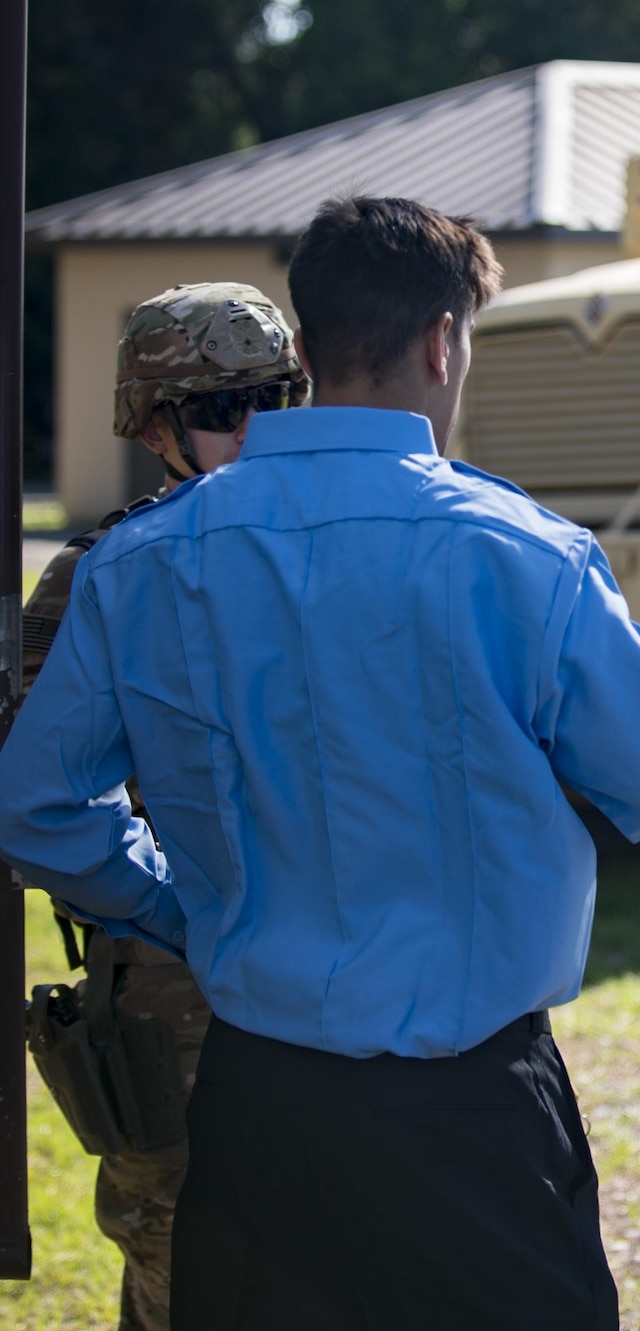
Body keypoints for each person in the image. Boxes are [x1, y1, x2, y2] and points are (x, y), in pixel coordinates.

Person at [0, 196, 640, 1329]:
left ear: (303, 348)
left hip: (255, 1109)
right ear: (444, 340)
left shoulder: (140, 562)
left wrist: (183, 907)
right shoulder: (519, 549)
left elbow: (39, 808)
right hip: (475, 1110)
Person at [17, 282, 306, 1331]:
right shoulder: (101, 576)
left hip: (339, 984)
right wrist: (181, 903)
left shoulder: (346, 546)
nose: (256, 430)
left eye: (275, 398)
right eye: (225, 409)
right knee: (187, 1271)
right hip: (182, 1005)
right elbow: (38, 800)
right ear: (150, 425)